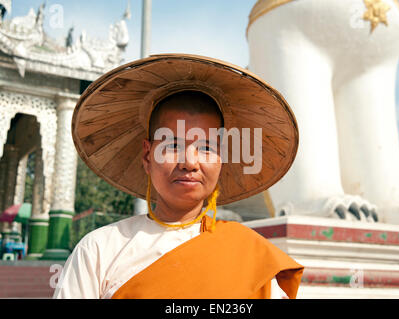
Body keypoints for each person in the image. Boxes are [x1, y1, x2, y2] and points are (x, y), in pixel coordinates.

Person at [54, 54, 304, 299]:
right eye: (173, 145)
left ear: (222, 159)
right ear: (147, 156)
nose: (190, 162)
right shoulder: (100, 250)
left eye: (207, 148)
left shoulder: (252, 256)